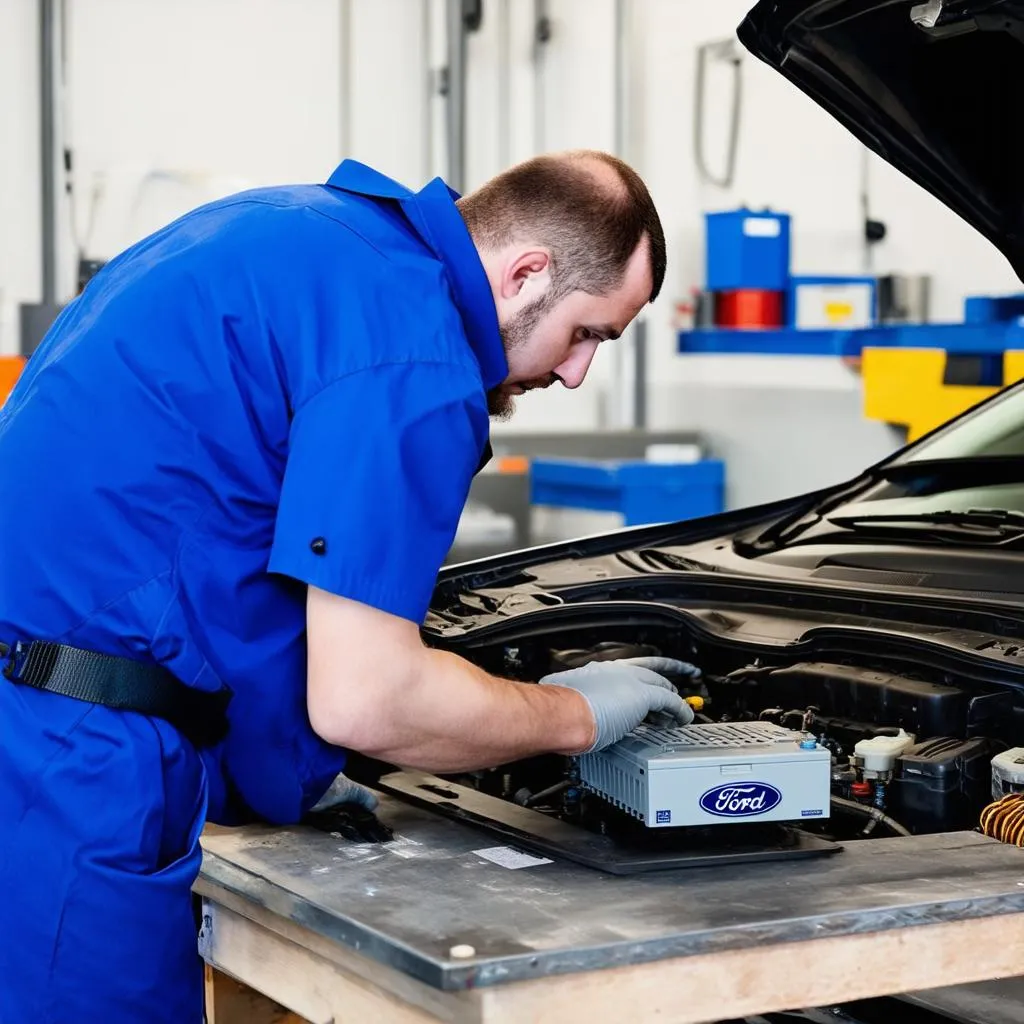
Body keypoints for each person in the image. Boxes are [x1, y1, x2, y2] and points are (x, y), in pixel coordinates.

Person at [0, 149, 689, 1022]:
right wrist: (572, 717)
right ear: (526, 274)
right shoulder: (414, 355)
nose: (575, 371)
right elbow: (366, 700)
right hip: (70, 767)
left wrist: (290, 773)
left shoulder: (306, 231)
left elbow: (223, 566)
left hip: (39, 711)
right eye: (590, 333)